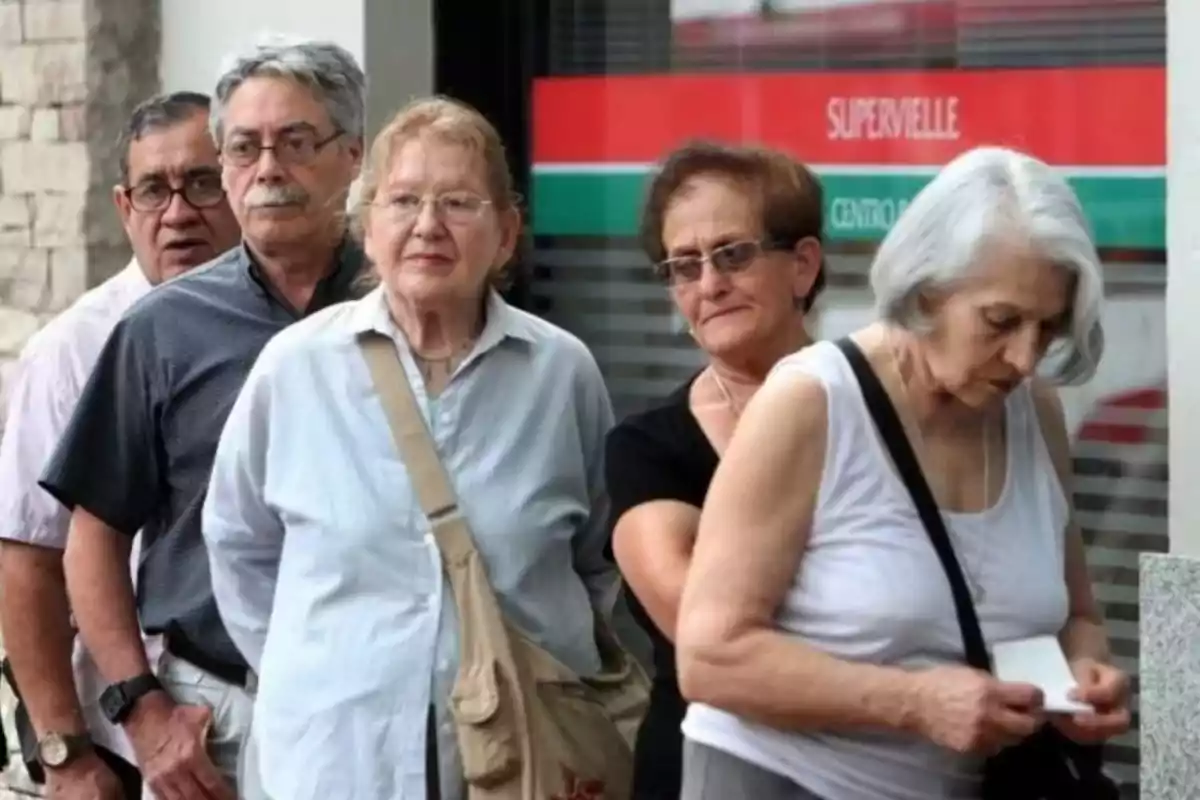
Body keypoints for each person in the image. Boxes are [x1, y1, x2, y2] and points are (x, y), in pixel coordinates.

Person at [673, 145, 1133, 799]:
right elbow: (710, 656)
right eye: (1000, 321)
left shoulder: (1034, 412)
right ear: (925, 290)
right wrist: (912, 701)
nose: (1026, 356)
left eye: (1048, 328)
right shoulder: (812, 401)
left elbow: (1074, 613)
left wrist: (1084, 677)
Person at [201, 96, 619, 800]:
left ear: (507, 232)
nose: (428, 227)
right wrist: (317, 670)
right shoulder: (296, 367)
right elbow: (238, 545)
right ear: (367, 229)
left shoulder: (561, 371)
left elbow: (599, 560)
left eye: (458, 202)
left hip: (522, 757)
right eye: (402, 202)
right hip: (334, 757)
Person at [38, 36, 367, 800]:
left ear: (352, 154)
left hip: (374, 704)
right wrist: (140, 709)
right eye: (244, 147)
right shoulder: (162, 327)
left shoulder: (402, 310)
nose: (268, 168)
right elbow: (91, 536)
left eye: (295, 142)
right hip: (215, 713)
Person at [0, 91, 240, 800]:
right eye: (153, 190)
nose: (178, 213)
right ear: (122, 206)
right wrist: (65, 758)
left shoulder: (290, 323)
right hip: (123, 742)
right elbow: (25, 560)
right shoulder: (74, 349)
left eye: (203, 183)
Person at [604, 141, 824, 799]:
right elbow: (708, 639)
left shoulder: (884, 412)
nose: (709, 285)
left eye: (733, 254)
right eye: (683, 266)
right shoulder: (646, 448)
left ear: (803, 265)